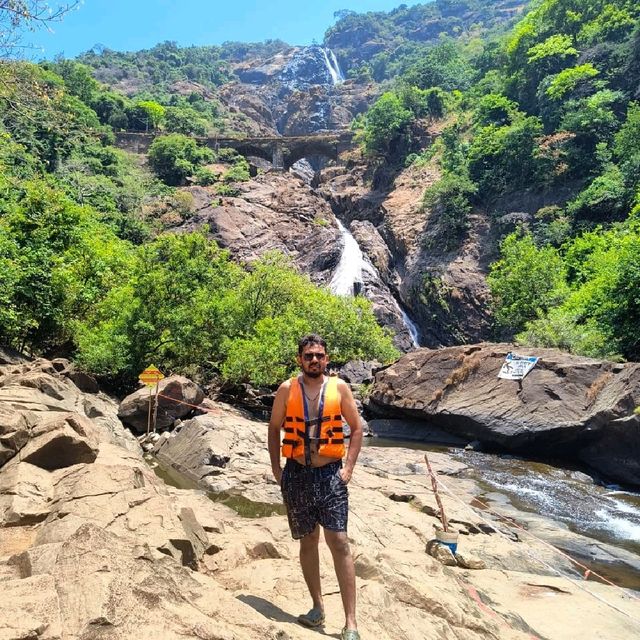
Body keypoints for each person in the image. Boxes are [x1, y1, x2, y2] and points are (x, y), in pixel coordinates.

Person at [268, 334, 362, 640]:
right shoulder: (286, 389)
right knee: (307, 542)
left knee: (340, 542)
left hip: (330, 474)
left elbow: (357, 429)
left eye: (319, 356)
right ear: (299, 359)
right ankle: (317, 607)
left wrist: (347, 468)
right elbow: (273, 429)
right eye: (308, 356)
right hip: (297, 474)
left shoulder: (340, 388)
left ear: (327, 359)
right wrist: (276, 469)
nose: (314, 360)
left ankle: (350, 623)